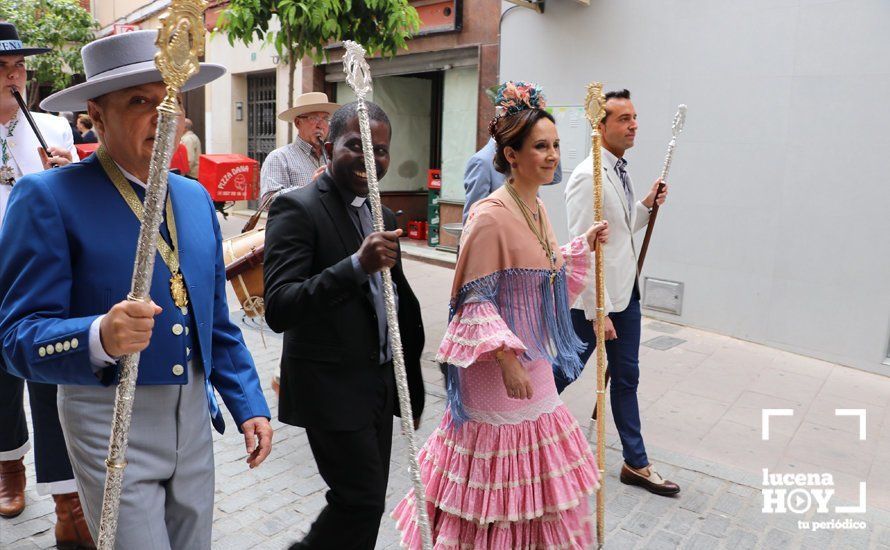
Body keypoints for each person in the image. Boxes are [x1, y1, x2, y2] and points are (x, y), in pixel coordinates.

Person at [0, 30, 273, 548]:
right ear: (97, 117)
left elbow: (214, 320)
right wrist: (99, 334)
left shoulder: (195, 198)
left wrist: (249, 403)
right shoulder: (50, 197)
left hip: (194, 415)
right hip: (108, 415)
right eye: (140, 101)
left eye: (169, 100)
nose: (162, 114)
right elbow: (16, 336)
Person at [392, 81, 607, 548]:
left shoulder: (537, 207)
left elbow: (543, 275)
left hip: (535, 364)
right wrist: (507, 360)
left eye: (555, 146)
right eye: (540, 147)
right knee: (494, 492)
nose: (552, 156)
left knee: (538, 487)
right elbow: (474, 300)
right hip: (496, 371)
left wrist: (584, 251)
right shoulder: (490, 216)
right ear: (511, 154)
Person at [264, 101, 425, 550]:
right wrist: (355, 265)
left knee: (366, 502)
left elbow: (392, 302)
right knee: (361, 500)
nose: (371, 159)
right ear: (329, 147)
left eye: (382, 150)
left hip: (377, 384)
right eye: (357, 146)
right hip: (329, 384)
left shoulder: (384, 215)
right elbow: (280, 306)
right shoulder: (296, 209)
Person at [0, 21, 94, 549]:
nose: (15, 77)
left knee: (48, 376)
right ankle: (9, 464)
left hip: (41, 269)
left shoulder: (54, 128)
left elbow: (78, 197)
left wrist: (68, 173)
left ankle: (66, 499)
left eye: (19, 68)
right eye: (3, 69)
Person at [564, 88, 679, 496]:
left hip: (625, 296)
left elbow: (620, 230)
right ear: (601, 126)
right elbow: (584, 246)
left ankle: (636, 462)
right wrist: (599, 311)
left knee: (627, 376)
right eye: (624, 118)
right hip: (595, 302)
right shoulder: (585, 177)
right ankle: (520, 428)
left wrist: (646, 205)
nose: (634, 125)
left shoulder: (617, 171)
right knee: (565, 372)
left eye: (635, 117)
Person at [259, 91, 339, 206]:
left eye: (325, 118)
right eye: (314, 118)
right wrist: (311, 188)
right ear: (297, 122)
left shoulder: (334, 156)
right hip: (299, 223)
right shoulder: (279, 157)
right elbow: (269, 201)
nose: (321, 125)